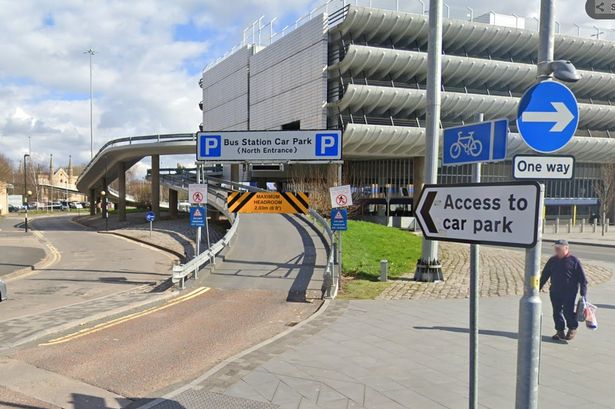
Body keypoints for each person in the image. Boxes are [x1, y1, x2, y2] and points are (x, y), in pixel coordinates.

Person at [540, 239, 588, 341]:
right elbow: (544, 275)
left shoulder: (574, 261)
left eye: (558, 248)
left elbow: (583, 280)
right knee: (556, 312)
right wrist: (537, 288)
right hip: (555, 291)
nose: (556, 250)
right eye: (555, 248)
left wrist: (583, 294)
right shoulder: (552, 260)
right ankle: (559, 331)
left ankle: (572, 328)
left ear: (566, 248)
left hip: (569, 292)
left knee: (567, 312)